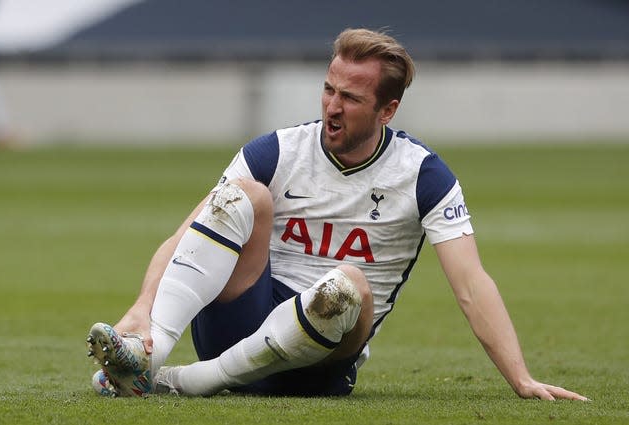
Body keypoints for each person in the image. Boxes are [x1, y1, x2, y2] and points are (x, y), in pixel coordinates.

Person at [86, 28, 587, 401]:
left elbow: (471, 283)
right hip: (234, 324)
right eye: (329, 89)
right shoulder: (277, 151)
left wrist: (520, 379)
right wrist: (142, 308)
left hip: (318, 362)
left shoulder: (423, 175)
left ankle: (196, 381)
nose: (332, 106)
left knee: (349, 282)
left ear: (387, 110)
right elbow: (189, 233)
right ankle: (148, 357)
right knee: (242, 195)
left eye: (350, 97)